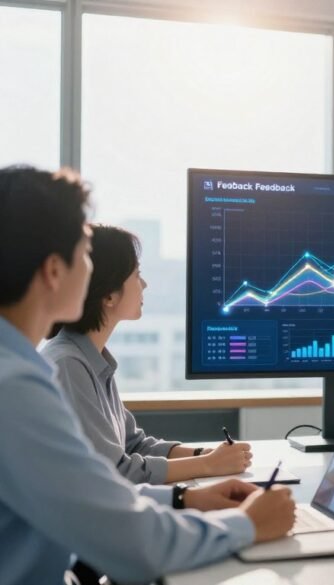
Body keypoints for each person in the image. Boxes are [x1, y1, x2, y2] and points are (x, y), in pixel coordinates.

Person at [0, 166, 296, 585]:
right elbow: (128, 536)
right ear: (53, 271)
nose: (90, 268)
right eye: (84, 253)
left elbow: (92, 495)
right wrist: (247, 525)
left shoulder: (20, 371)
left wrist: (187, 497)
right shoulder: (16, 389)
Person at [43, 224, 252, 484]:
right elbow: (115, 471)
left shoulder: (92, 360)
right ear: (109, 295)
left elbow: (134, 444)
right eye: (136, 274)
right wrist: (208, 465)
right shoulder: (68, 365)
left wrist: (206, 454)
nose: (144, 284)